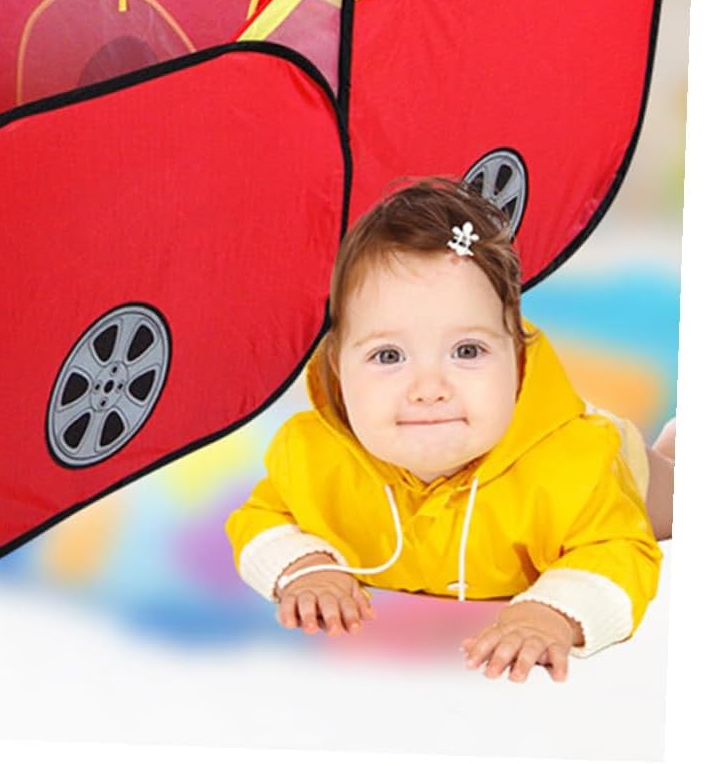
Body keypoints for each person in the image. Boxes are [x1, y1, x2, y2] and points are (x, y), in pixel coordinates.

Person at [225, 177, 674, 683]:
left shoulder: (573, 469)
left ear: (516, 360)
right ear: (336, 369)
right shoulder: (313, 455)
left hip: (620, 465)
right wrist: (305, 567)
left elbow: (619, 549)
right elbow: (260, 519)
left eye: (467, 351)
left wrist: (549, 614)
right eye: (388, 356)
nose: (429, 389)